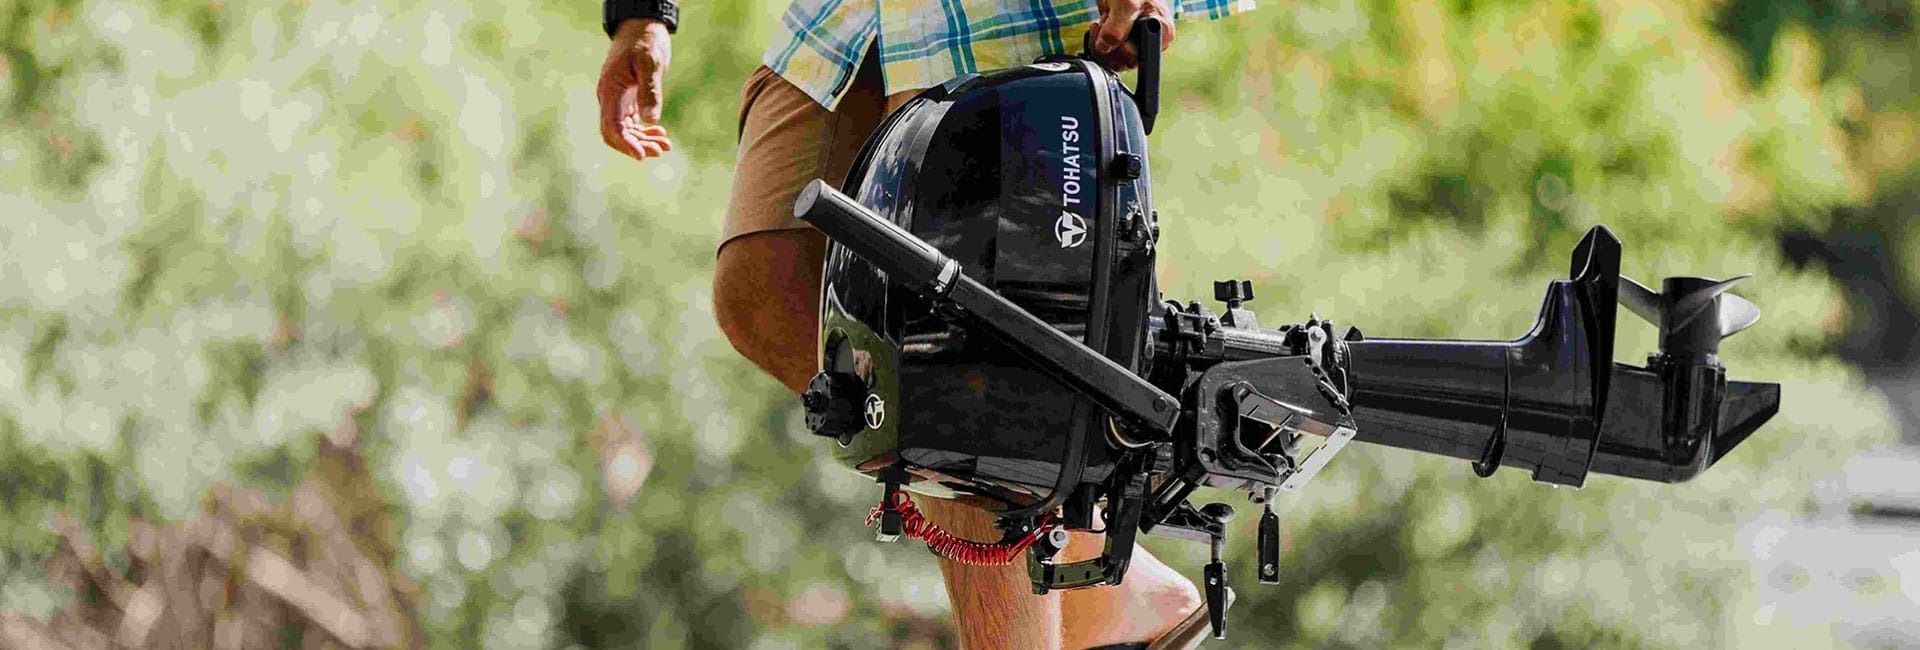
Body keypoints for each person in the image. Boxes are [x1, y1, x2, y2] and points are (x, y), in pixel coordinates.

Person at [595, 1, 1253, 647]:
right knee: (765, 286)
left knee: (957, 370)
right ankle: (1111, 584)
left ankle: (1055, 580)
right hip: (849, 19)